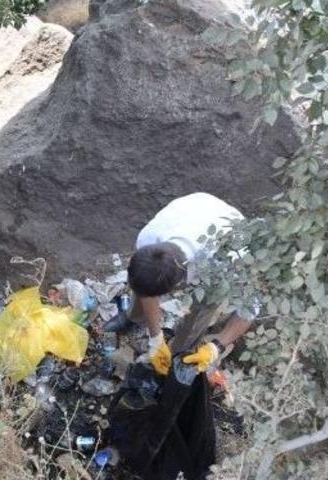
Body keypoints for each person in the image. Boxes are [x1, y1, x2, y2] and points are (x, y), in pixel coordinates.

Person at [102, 192, 258, 479]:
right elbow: (148, 289)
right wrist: (155, 339)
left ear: (178, 286)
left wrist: (217, 346)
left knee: (203, 308)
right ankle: (133, 317)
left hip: (224, 235)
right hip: (196, 209)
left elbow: (250, 309)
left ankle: (180, 352)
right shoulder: (149, 240)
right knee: (143, 291)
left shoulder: (230, 262)